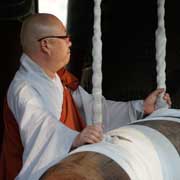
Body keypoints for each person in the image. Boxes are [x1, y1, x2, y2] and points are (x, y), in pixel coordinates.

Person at [0, 13, 171, 180]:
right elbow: (41, 125)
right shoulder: (23, 88)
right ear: (46, 44)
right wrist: (72, 138)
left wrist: (141, 107)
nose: (70, 43)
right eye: (64, 38)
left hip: (68, 170)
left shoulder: (60, 79)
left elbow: (95, 108)